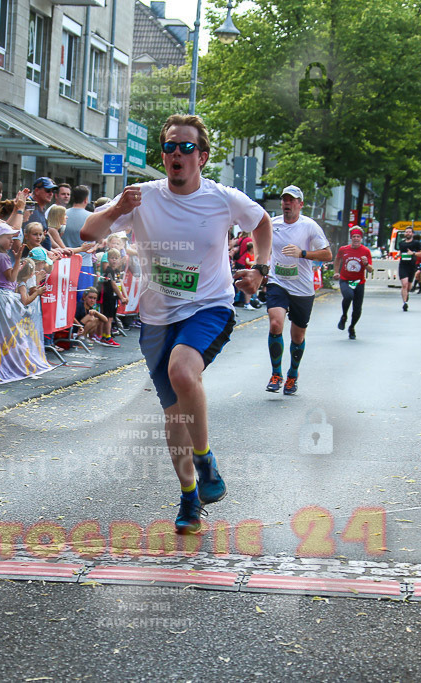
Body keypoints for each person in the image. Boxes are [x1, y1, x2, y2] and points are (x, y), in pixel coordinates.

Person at [81, 113, 272, 534]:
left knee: (183, 370)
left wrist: (261, 268)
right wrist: (118, 207)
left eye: (186, 148)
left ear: (201, 156)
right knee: (175, 419)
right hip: (157, 319)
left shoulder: (223, 198)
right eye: (170, 147)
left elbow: (261, 222)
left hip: (210, 307)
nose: (177, 154)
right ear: (163, 155)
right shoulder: (142, 196)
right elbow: (88, 232)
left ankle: (205, 461)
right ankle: (189, 497)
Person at [264, 185, 332, 396]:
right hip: (278, 282)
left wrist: (302, 253)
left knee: (297, 336)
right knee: (275, 323)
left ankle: (293, 374)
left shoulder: (310, 226)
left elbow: (328, 255)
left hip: (302, 288)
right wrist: (261, 266)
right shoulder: (272, 224)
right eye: (285, 199)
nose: (287, 203)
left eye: (292, 200)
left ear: (300, 204)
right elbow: (260, 243)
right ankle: (276, 374)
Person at [334, 227, 374, 339]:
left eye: (358, 237)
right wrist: (336, 272)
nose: (356, 239)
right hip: (345, 279)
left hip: (359, 282)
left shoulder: (365, 251)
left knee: (357, 308)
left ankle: (352, 327)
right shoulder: (343, 249)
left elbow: (371, 269)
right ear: (351, 238)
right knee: (348, 296)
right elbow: (337, 260)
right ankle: (344, 316)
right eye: (354, 237)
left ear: (361, 238)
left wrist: (366, 264)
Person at [397, 226, 421, 311]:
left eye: (409, 232)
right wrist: (398, 254)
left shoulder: (416, 243)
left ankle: (406, 294)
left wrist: (413, 253)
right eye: (406, 232)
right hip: (403, 266)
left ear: (412, 234)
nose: (407, 233)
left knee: (408, 286)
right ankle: (405, 303)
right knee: (404, 284)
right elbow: (401, 251)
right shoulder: (401, 243)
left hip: (411, 266)